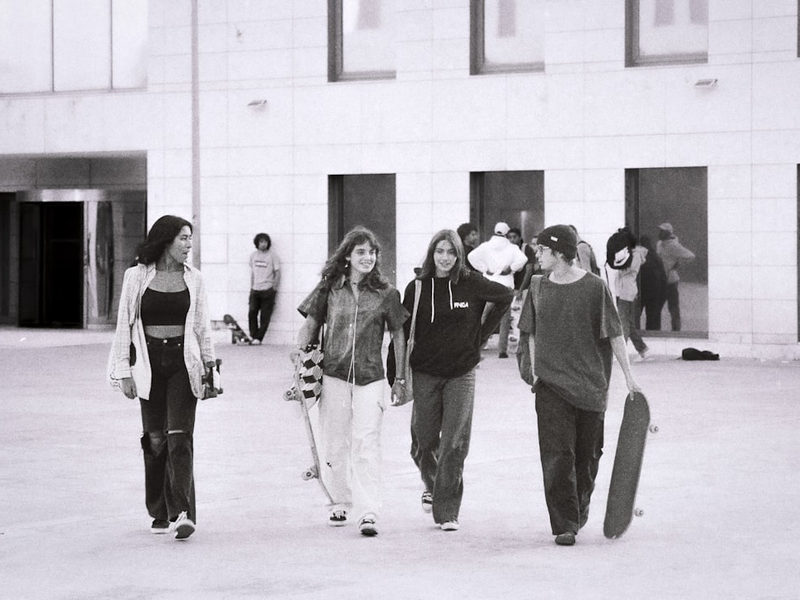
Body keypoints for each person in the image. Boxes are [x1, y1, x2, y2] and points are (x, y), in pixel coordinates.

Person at [517, 224, 642, 546]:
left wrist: (629, 377)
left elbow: (614, 332)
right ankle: (565, 524)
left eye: (542, 249)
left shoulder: (594, 287)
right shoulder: (538, 286)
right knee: (557, 455)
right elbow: (529, 330)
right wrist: (535, 370)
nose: (537, 254)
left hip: (589, 386)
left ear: (559, 252)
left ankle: (578, 509)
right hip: (551, 386)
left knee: (588, 457)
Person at [294, 226, 408, 537]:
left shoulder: (387, 293)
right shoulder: (330, 288)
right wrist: (299, 361)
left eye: (372, 252)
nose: (368, 257)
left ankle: (368, 511)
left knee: (366, 442)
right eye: (361, 252)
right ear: (347, 255)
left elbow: (399, 333)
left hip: (371, 376)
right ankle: (339, 501)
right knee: (335, 441)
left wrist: (401, 376)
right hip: (333, 374)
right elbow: (311, 323)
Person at [108, 215, 217, 540]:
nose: (188, 245)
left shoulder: (194, 278)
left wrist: (211, 369)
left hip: (184, 362)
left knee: (180, 436)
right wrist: (123, 371)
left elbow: (202, 326)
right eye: (183, 239)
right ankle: (158, 509)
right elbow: (123, 325)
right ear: (166, 240)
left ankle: (183, 511)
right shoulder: (136, 276)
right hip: (148, 362)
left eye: (190, 239)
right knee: (155, 440)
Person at [399, 229, 513, 531]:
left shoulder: (470, 283)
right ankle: (434, 485)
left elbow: (505, 296)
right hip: (424, 372)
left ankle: (447, 510)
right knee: (423, 443)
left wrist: (482, 334)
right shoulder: (417, 287)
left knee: (453, 444)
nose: (445, 258)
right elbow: (401, 333)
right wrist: (394, 373)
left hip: (461, 373)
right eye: (440, 251)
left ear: (459, 255)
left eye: (451, 252)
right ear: (431, 253)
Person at [467, 222, 528, 349]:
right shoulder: (512, 247)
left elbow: (471, 256)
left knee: (483, 315)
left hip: (489, 282)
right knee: (505, 318)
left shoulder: (486, 246)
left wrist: (484, 269)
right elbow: (523, 259)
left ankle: (479, 344)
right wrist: (511, 269)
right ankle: (502, 349)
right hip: (505, 283)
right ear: (507, 232)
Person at [497, 227, 535, 358]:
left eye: (514, 237)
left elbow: (529, 270)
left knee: (523, 317)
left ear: (519, 237)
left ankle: (523, 347)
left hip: (524, 288)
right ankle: (503, 349)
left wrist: (521, 288)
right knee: (507, 318)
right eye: (509, 237)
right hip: (509, 288)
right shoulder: (506, 251)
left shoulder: (526, 249)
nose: (512, 240)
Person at [614, 230, 650, 360]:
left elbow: (626, 270)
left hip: (627, 292)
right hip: (622, 291)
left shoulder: (636, 255)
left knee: (623, 323)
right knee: (628, 323)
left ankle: (621, 353)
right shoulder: (628, 253)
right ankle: (642, 349)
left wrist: (617, 260)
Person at [656, 223, 695, 331]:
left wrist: (678, 264)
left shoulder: (674, 245)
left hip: (671, 281)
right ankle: (655, 330)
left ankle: (676, 331)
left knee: (673, 308)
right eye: (660, 231)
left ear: (668, 233)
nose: (660, 233)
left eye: (662, 231)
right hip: (660, 280)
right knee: (656, 308)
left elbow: (690, 256)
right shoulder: (659, 244)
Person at [248, 232, 280, 344]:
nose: (263, 244)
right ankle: (253, 335)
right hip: (255, 289)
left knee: (264, 316)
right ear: (257, 243)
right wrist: (252, 286)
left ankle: (258, 338)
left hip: (268, 289)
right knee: (252, 312)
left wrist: (274, 288)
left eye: (265, 242)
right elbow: (253, 272)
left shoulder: (272, 256)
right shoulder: (253, 255)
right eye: (261, 242)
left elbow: (277, 272)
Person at [638, 235, 668, 330]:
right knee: (652, 317)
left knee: (636, 316)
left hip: (641, 290)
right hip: (654, 291)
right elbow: (663, 276)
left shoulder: (638, 256)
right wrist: (663, 293)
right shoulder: (656, 257)